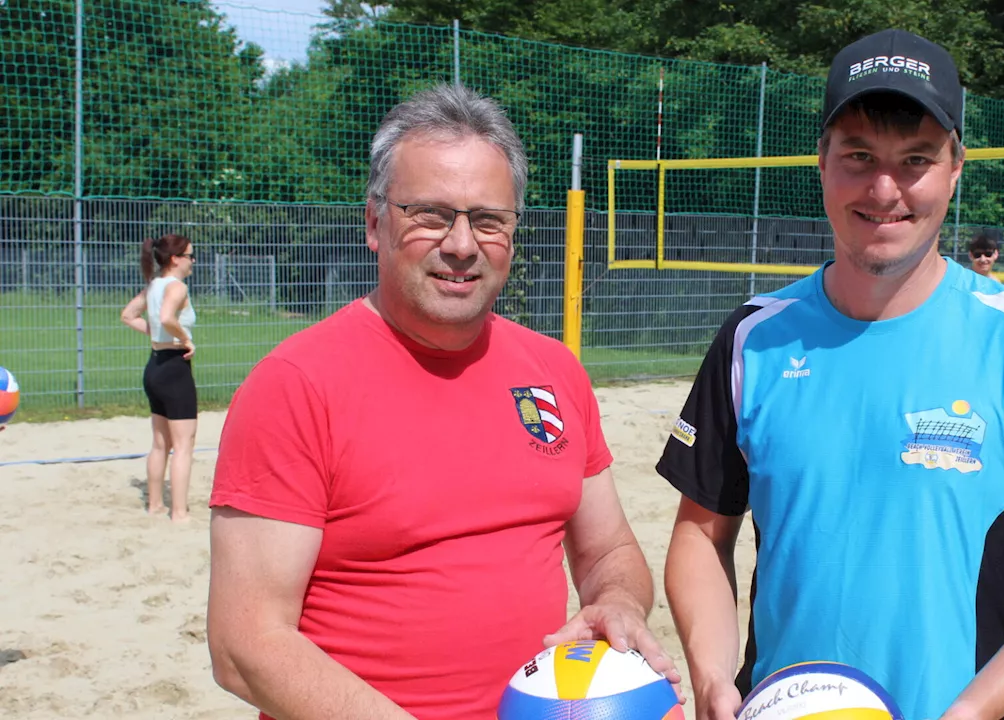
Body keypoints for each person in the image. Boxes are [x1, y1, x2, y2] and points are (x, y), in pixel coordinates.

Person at [658, 29, 1004, 720]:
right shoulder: (752, 339)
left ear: (955, 168)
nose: (885, 189)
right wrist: (711, 677)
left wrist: (974, 709)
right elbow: (701, 536)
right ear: (821, 161)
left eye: (915, 159)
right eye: (858, 156)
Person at [205, 84, 679, 720]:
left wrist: (618, 602)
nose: (461, 244)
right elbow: (245, 644)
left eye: (488, 220)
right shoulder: (296, 384)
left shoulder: (552, 370)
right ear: (374, 223)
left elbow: (608, 551)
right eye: (430, 214)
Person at [119, 233, 198, 522]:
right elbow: (166, 318)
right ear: (175, 258)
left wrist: (156, 334)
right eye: (190, 256)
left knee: (160, 444)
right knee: (183, 446)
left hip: (154, 367)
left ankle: (155, 505)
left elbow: (128, 315)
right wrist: (185, 339)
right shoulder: (176, 286)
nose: (193, 261)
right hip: (175, 369)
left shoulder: (153, 286)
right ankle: (179, 513)